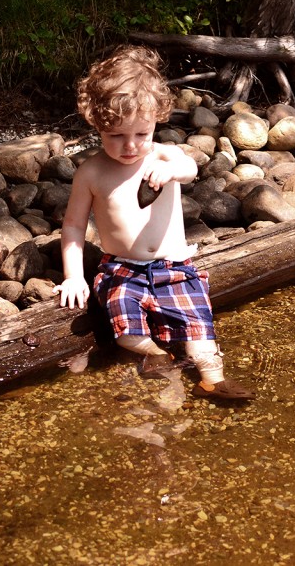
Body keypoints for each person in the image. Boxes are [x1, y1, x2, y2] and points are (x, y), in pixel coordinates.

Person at [54, 46, 255, 401]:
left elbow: (191, 169)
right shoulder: (92, 172)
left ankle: (212, 379)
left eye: (141, 134)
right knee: (126, 331)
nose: (130, 146)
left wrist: (170, 170)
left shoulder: (164, 156)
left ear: (156, 122)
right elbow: (72, 226)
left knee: (199, 334)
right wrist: (73, 275)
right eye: (116, 135)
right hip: (122, 269)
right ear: (97, 125)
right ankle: (155, 354)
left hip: (175, 267)